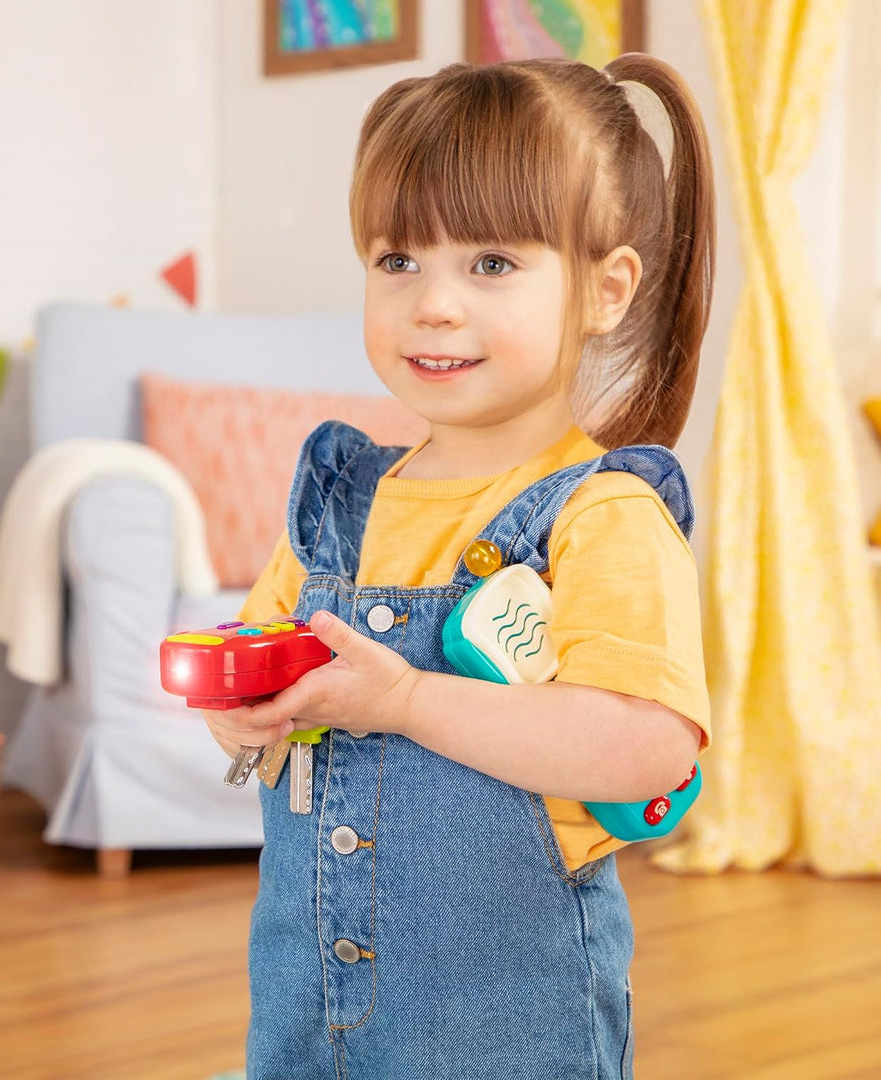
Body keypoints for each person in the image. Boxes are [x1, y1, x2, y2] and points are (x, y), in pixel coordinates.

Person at [202, 53, 714, 1079]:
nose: (432, 304)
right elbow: (257, 655)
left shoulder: (601, 514)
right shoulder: (337, 502)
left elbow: (646, 751)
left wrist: (405, 701)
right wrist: (240, 706)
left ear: (607, 289)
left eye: (490, 263)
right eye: (397, 261)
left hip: (507, 1035)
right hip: (308, 1019)